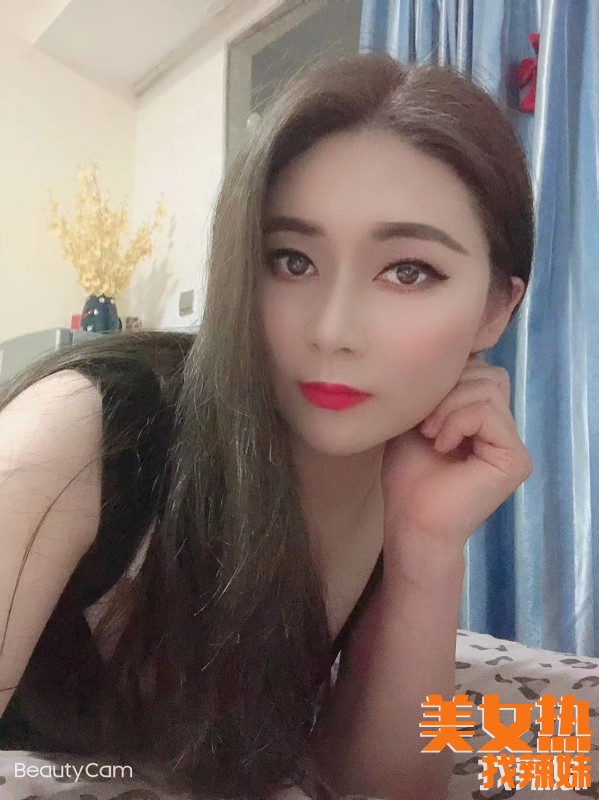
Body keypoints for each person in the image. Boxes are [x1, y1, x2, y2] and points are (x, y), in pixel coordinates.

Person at [0, 52, 534, 800]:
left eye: (407, 271)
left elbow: (376, 786)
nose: (333, 331)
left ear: (495, 310)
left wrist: (427, 548)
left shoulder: (402, 466)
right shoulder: (90, 423)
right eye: (291, 260)